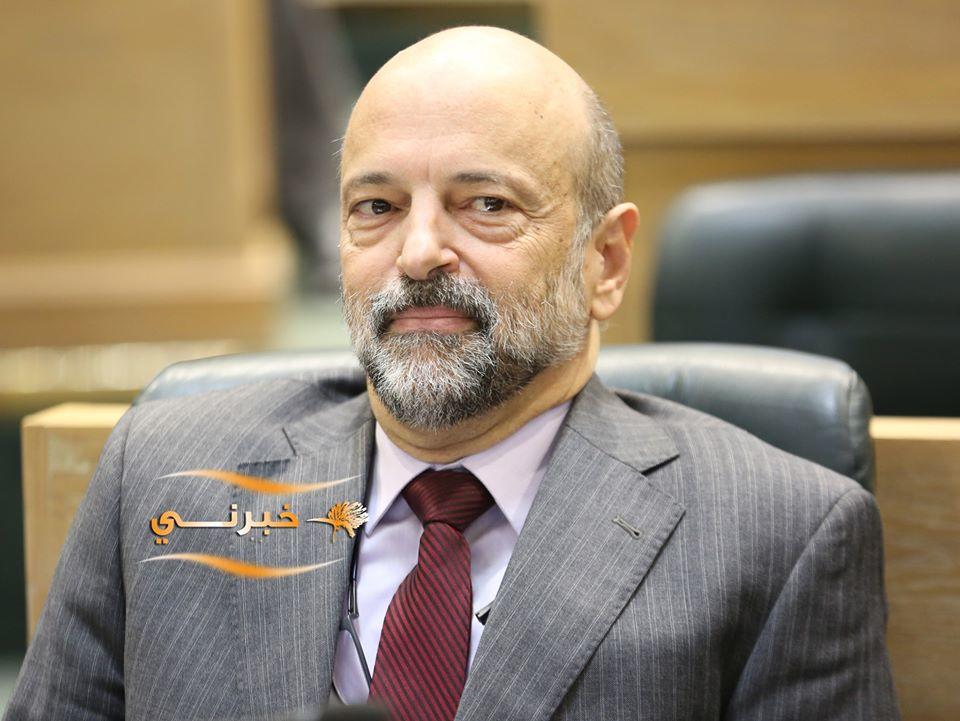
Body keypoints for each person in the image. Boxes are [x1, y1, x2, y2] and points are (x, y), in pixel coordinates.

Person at [5, 26, 899, 721]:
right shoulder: (164, 471)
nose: (419, 251)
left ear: (606, 262)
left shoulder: (778, 535)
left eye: (486, 204)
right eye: (377, 205)